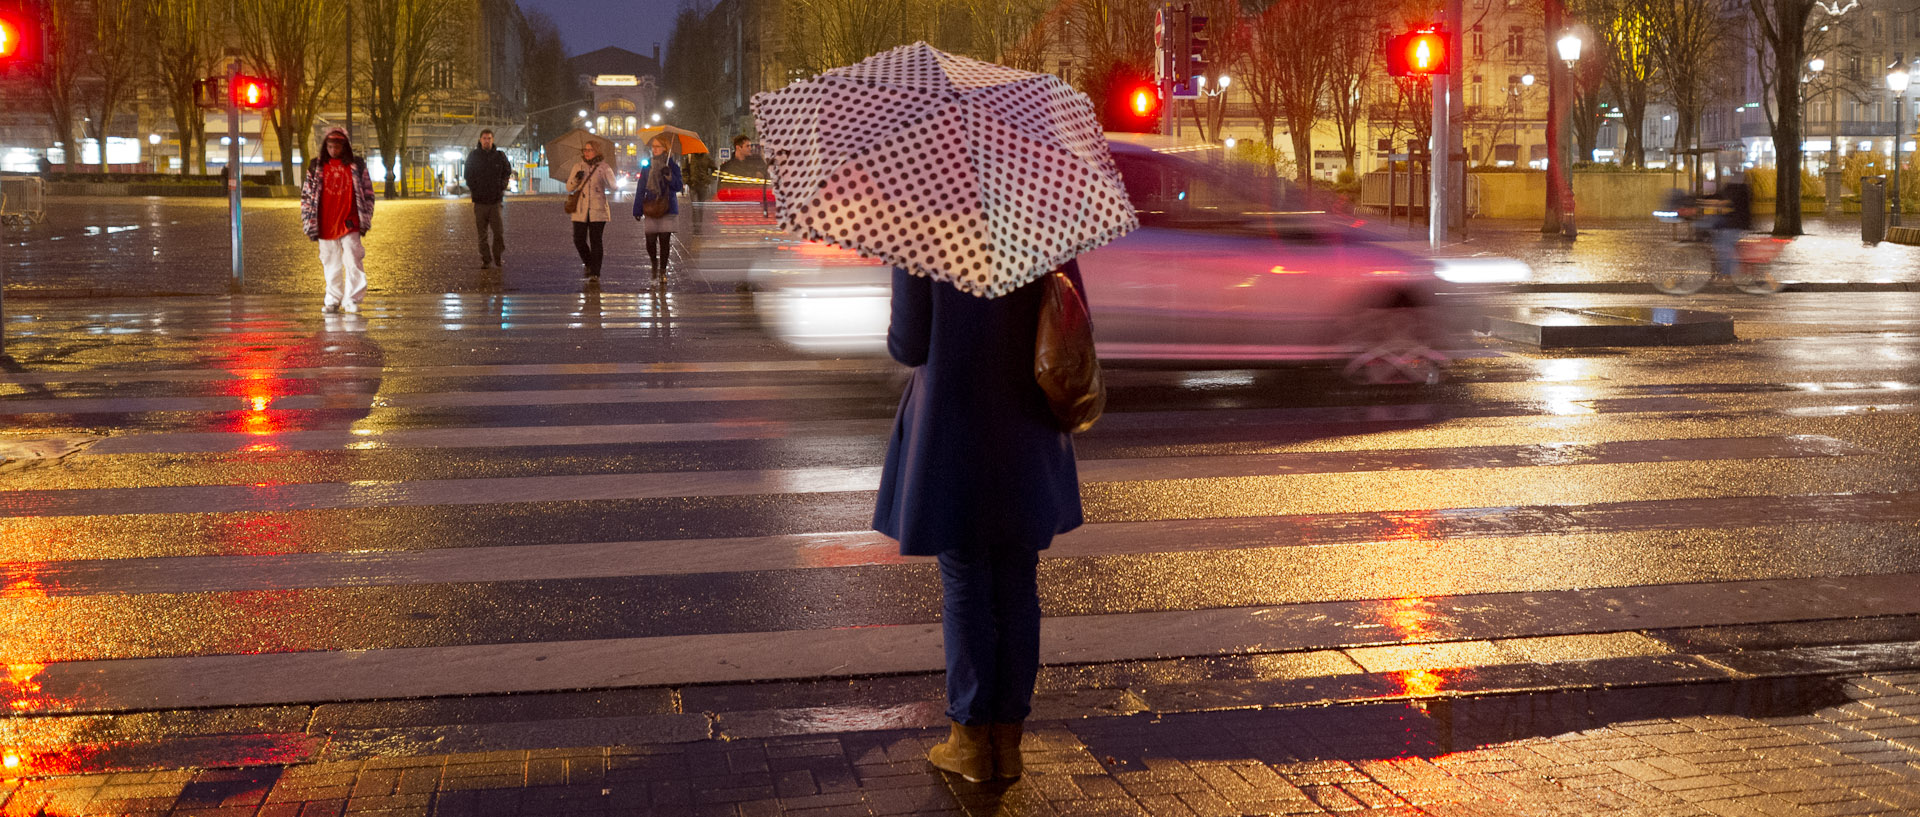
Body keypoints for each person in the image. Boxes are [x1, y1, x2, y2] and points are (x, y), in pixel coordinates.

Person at [873, 261, 1087, 783]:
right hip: (1025, 418)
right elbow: (1071, 316)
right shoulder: (1042, 214)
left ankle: (970, 743)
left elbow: (909, 345)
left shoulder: (923, 225)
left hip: (953, 420)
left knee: (966, 579)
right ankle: (1007, 744)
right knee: (1017, 580)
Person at [299, 128, 375, 314]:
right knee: (330, 262)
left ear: (344, 147)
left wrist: (366, 215)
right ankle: (334, 299)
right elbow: (307, 195)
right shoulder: (316, 166)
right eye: (330, 146)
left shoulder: (356, 165)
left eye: (337, 146)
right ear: (326, 147)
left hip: (349, 221)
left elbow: (368, 193)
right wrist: (308, 219)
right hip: (325, 222)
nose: (333, 150)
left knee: (353, 260)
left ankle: (351, 299)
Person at [633, 135, 684, 278]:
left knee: (664, 240)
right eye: (653, 147)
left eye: (657, 147)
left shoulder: (672, 166)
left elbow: (678, 186)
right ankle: (653, 262)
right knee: (650, 241)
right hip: (650, 206)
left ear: (665, 149)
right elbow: (641, 187)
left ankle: (662, 270)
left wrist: (669, 176)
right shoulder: (647, 165)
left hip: (667, 207)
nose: (654, 149)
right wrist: (637, 209)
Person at [465, 128, 515, 269]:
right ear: (480, 140)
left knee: (498, 232)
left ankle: (498, 256)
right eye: (484, 138)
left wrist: (502, 186)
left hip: (495, 201)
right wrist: (475, 188)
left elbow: (507, 171)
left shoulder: (499, 156)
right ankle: (486, 259)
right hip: (480, 202)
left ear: (493, 140)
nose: (487, 141)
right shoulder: (473, 156)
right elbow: (468, 175)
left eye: (489, 138)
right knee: (482, 234)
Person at [567, 141, 617, 282]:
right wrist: (577, 179)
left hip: (598, 209)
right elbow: (569, 187)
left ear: (597, 152)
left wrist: (606, 176)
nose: (587, 152)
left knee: (596, 241)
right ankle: (589, 263)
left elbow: (614, 186)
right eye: (585, 150)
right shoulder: (578, 166)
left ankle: (595, 272)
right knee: (579, 240)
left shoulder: (604, 167)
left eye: (590, 150)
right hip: (580, 209)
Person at [1708, 178, 1753, 278]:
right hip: (1733, 218)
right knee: (1710, 223)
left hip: (1738, 221)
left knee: (1724, 245)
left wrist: (1718, 202)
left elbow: (1730, 198)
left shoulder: (1739, 185)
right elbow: (1721, 195)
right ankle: (1724, 267)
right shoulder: (1733, 184)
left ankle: (1727, 274)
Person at [718, 135, 770, 210]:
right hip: (735, 207)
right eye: (747, 146)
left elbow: (767, 179)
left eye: (750, 146)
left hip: (754, 205)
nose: (750, 148)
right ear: (738, 147)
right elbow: (720, 190)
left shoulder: (757, 162)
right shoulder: (726, 167)